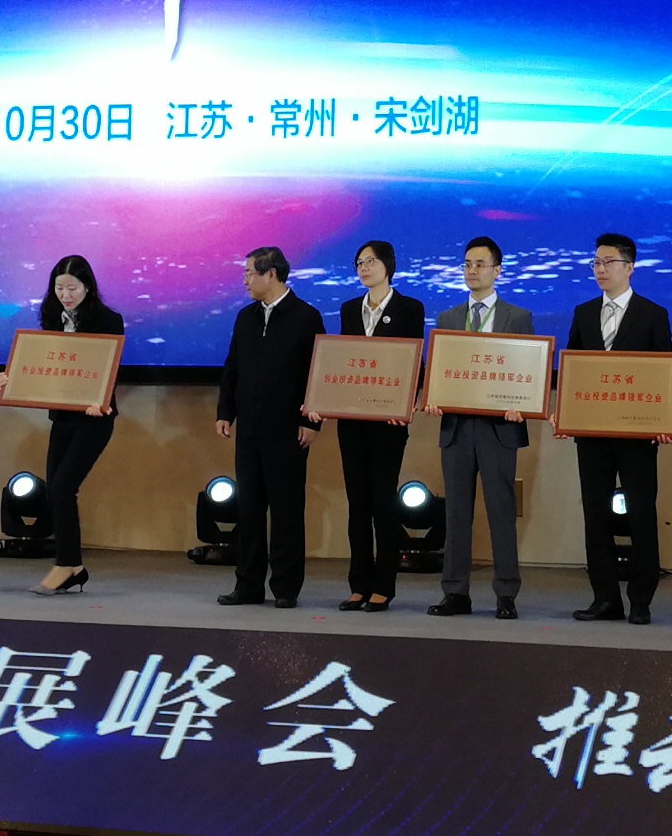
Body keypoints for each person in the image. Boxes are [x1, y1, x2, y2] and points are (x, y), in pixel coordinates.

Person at [564, 231, 672, 625]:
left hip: (636, 436)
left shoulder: (652, 314)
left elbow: (664, 374)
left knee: (641, 515)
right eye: (596, 262)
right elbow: (574, 370)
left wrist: (663, 419)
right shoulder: (582, 313)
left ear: (629, 267)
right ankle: (605, 597)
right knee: (596, 515)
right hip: (593, 435)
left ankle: (641, 599)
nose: (600, 269)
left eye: (608, 262)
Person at [214, 245, 323, 610]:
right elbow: (232, 368)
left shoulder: (305, 316)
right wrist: (225, 412)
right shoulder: (245, 317)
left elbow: (317, 373)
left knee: (287, 510)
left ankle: (286, 587)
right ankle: (247, 585)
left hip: (288, 431)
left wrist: (311, 421)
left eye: (250, 273)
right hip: (249, 429)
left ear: (271, 274)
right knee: (248, 509)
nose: (245, 280)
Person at [430, 235, 531, 620]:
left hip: (498, 429)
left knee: (501, 511)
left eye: (480, 264)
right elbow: (441, 371)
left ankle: (506, 593)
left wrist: (522, 405)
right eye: (467, 264)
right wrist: (436, 395)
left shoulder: (516, 317)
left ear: (497, 271)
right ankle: (455, 592)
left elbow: (528, 373)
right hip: (457, 428)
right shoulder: (449, 318)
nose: (472, 271)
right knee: (456, 513)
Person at [329, 240, 421, 612]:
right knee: (357, 503)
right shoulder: (349, 308)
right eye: (359, 262)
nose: (364, 268)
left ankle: (383, 584)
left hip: (388, 420)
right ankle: (358, 584)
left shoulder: (409, 308)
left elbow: (413, 361)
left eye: (370, 261)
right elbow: (344, 361)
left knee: (383, 501)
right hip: (352, 420)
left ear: (388, 266)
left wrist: (406, 402)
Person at [31, 255, 123, 595]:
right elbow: (43, 365)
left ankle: (64, 565)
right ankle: (75, 568)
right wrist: (13, 380)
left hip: (94, 419)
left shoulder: (107, 320)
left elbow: (109, 368)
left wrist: (100, 397)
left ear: (88, 287)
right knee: (54, 490)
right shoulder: (51, 317)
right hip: (62, 417)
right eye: (59, 288)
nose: (65, 295)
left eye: (72, 288)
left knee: (63, 487)